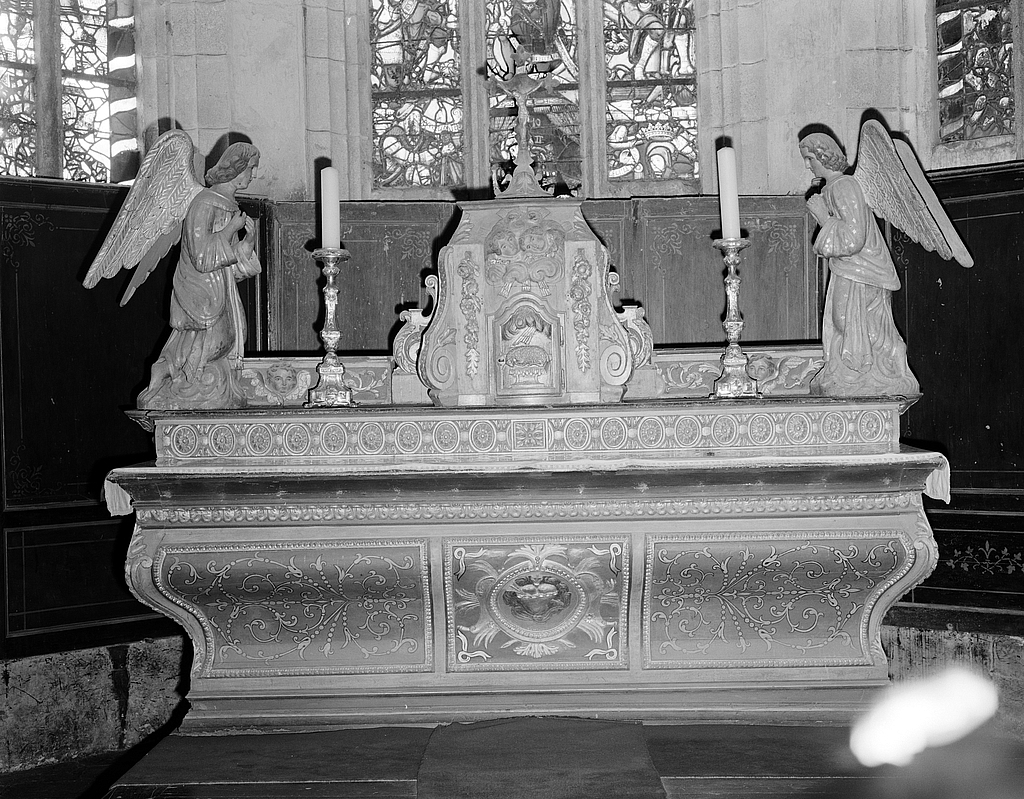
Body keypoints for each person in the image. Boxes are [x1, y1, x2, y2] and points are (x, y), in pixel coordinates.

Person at [138, 143, 262, 409]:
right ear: (237, 168)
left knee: (225, 341)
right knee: (217, 341)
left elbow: (231, 264)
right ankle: (170, 370)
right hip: (201, 289)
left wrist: (248, 242)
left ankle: (186, 377)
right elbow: (202, 257)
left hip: (220, 286)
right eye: (251, 168)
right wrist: (231, 228)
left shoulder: (228, 205)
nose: (253, 175)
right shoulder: (204, 202)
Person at [799, 132, 919, 397]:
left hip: (865, 269)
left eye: (810, 159)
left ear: (824, 156)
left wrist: (823, 217)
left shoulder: (845, 186)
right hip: (850, 266)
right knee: (846, 322)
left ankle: (891, 356)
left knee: (849, 321)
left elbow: (854, 238)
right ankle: (854, 370)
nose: (808, 165)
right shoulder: (833, 187)